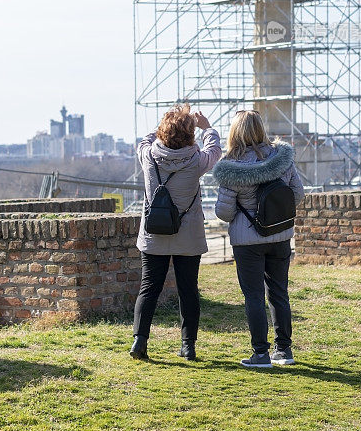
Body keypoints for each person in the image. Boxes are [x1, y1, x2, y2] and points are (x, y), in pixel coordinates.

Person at [213, 110, 304, 368]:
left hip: (247, 241)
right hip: (279, 235)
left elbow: (223, 212)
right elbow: (297, 194)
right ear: (260, 129)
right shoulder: (282, 158)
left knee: (253, 296)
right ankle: (284, 351)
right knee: (279, 293)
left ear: (234, 133)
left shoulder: (232, 167)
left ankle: (260, 354)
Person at [130, 104, 221, 362]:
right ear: (190, 134)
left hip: (154, 234)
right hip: (188, 234)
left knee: (149, 288)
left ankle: (140, 341)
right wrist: (207, 127)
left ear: (162, 131)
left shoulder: (148, 156)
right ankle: (188, 346)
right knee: (188, 290)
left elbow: (145, 140)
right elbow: (215, 150)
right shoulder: (196, 160)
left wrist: (166, 123)